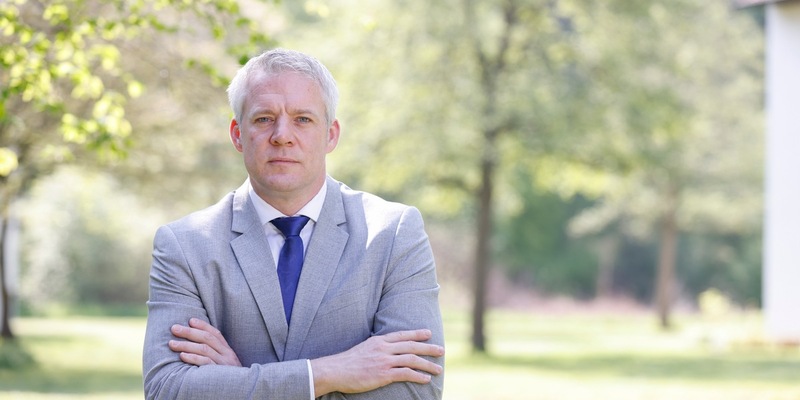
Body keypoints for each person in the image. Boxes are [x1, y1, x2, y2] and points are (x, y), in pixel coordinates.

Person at [142, 48, 445, 399]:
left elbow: (415, 391)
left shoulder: (393, 233)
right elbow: (168, 390)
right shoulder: (185, 245)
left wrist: (236, 379)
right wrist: (327, 374)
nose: (282, 135)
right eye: (263, 119)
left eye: (302, 119)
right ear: (237, 134)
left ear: (331, 134)